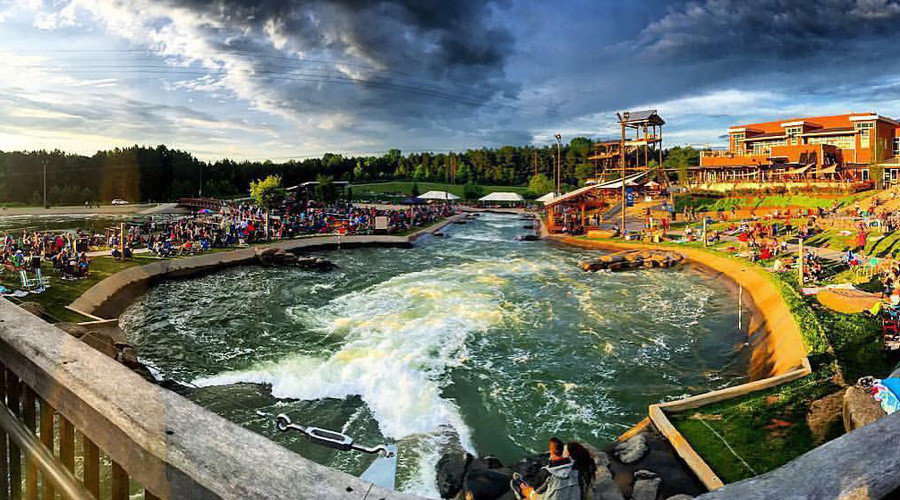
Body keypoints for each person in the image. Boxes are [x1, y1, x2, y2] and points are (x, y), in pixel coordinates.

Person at [513, 437, 581, 500]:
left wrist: (529, 493)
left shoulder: (549, 473)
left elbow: (539, 492)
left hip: (549, 495)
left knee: (518, 483)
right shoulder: (575, 469)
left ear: (551, 452)